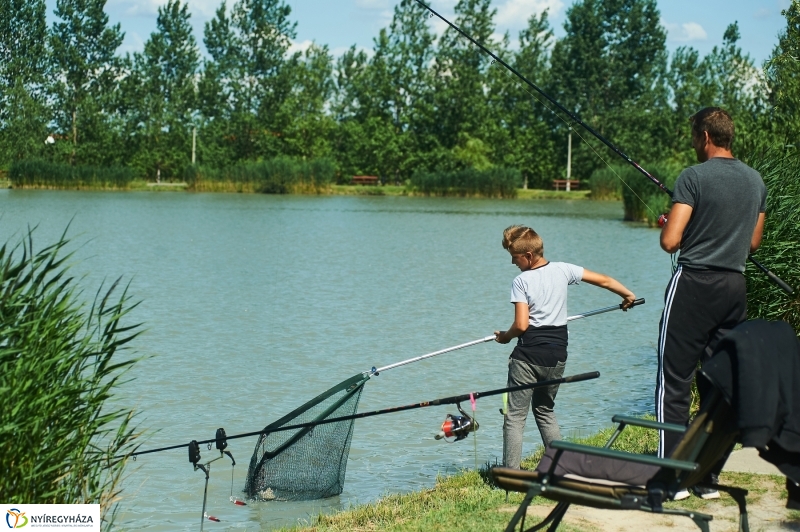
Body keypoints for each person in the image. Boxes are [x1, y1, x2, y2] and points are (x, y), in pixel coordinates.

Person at [656, 107, 767, 499]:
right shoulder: (755, 180)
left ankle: (671, 475)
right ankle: (706, 475)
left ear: (705, 136)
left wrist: (671, 225)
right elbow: (752, 243)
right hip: (735, 286)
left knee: (675, 379)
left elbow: (671, 242)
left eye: (693, 136)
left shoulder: (693, 176)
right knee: (721, 381)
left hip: (694, 285)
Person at [494, 225, 636, 470]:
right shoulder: (564, 269)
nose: (513, 263)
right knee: (545, 410)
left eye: (514, 257)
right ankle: (560, 467)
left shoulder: (521, 281)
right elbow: (604, 280)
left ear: (528, 256)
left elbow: (521, 324)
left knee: (515, 418)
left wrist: (505, 337)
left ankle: (511, 474)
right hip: (557, 355)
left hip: (528, 356)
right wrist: (628, 295)